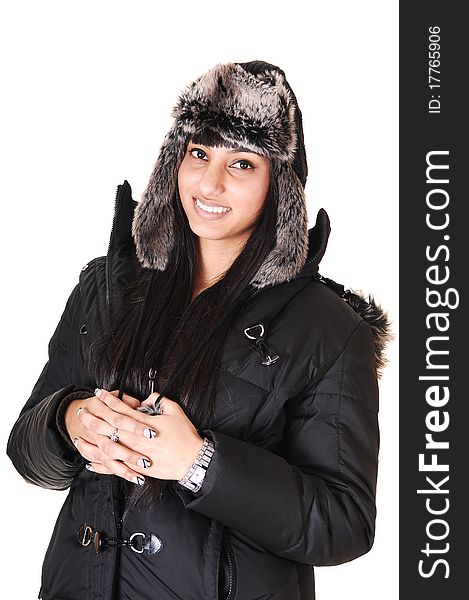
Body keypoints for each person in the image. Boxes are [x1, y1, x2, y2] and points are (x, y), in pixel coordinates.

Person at [7, 60, 390, 600]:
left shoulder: (327, 330)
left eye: (242, 163)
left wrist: (200, 464)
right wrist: (69, 423)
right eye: (199, 153)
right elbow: (26, 447)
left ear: (278, 185)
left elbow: (344, 522)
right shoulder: (108, 286)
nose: (210, 183)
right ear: (175, 160)